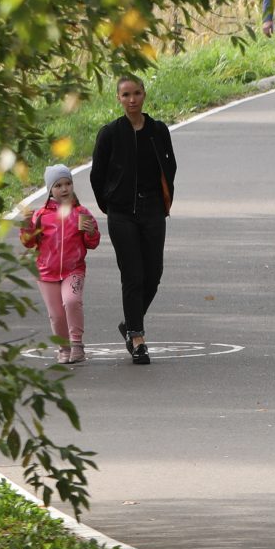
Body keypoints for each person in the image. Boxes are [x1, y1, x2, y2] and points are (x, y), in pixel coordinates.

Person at [90, 74, 179, 365]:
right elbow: (97, 175)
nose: (132, 100)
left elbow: (170, 166)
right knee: (133, 275)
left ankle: (129, 322)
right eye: (126, 95)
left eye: (137, 93)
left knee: (154, 273)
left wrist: (163, 199)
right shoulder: (110, 133)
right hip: (121, 213)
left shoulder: (157, 130)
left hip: (153, 210)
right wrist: (111, 203)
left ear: (144, 95)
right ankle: (137, 338)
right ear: (118, 98)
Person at [17, 163, 99, 365]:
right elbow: (29, 242)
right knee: (56, 315)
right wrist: (26, 226)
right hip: (46, 272)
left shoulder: (81, 212)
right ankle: (63, 347)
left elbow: (92, 243)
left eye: (68, 184)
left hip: (74, 270)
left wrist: (90, 232)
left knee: (71, 301)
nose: (64, 189)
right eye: (58, 185)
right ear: (50, 190)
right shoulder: (40, 215)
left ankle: (77, 344)